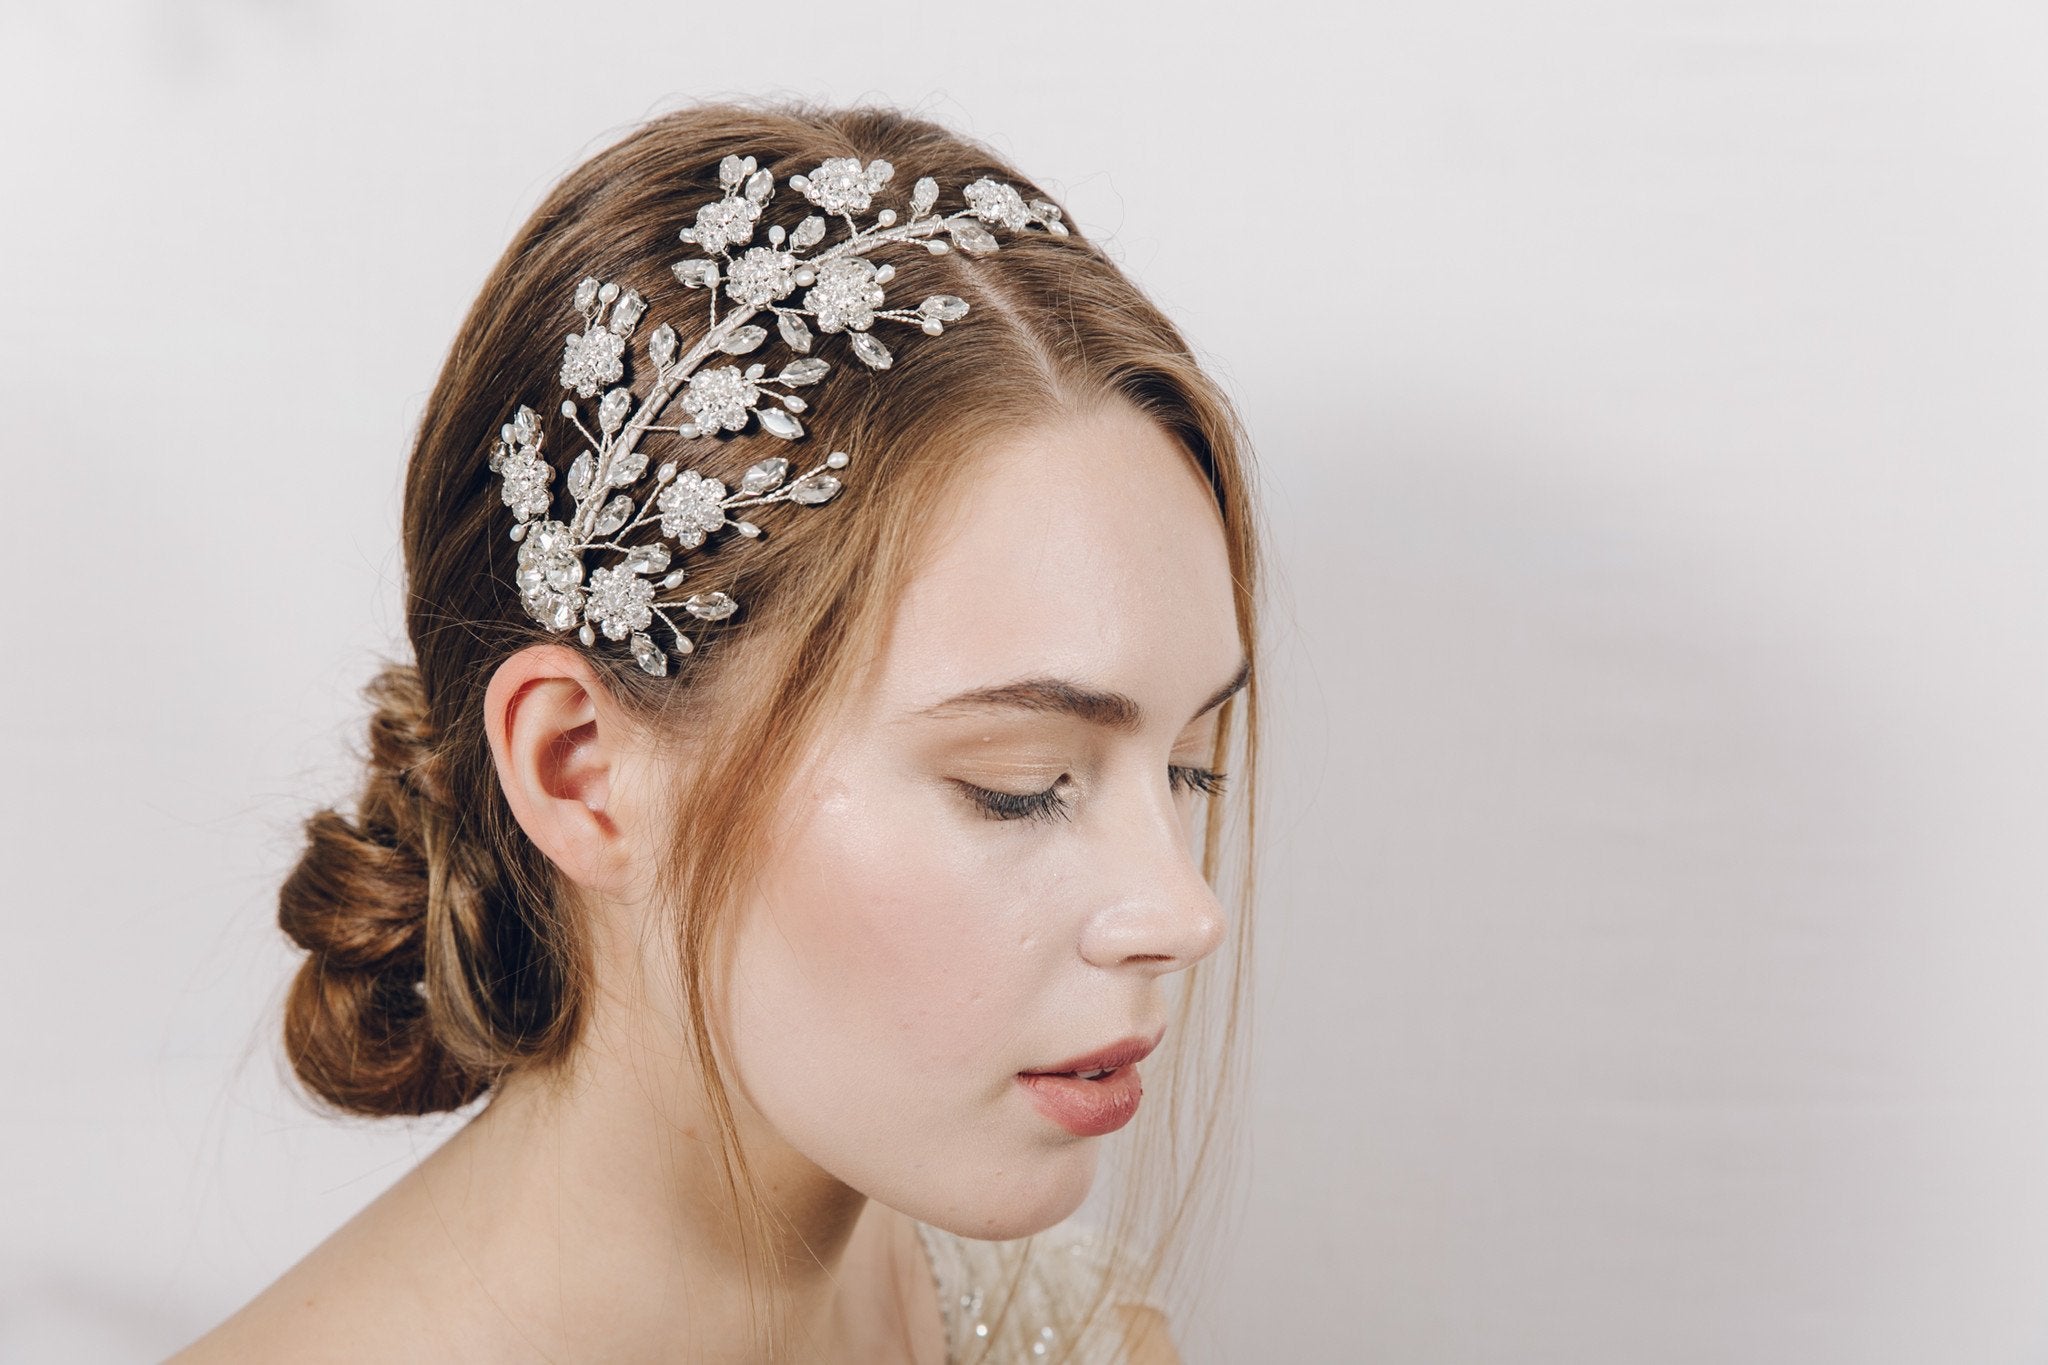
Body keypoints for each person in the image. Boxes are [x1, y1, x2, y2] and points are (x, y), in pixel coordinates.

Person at [174, 97, 1266, 1364]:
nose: (1184, 911)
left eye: (1190, 763)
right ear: (579, 770)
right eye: (1017, 784)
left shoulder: (1066, 1329)